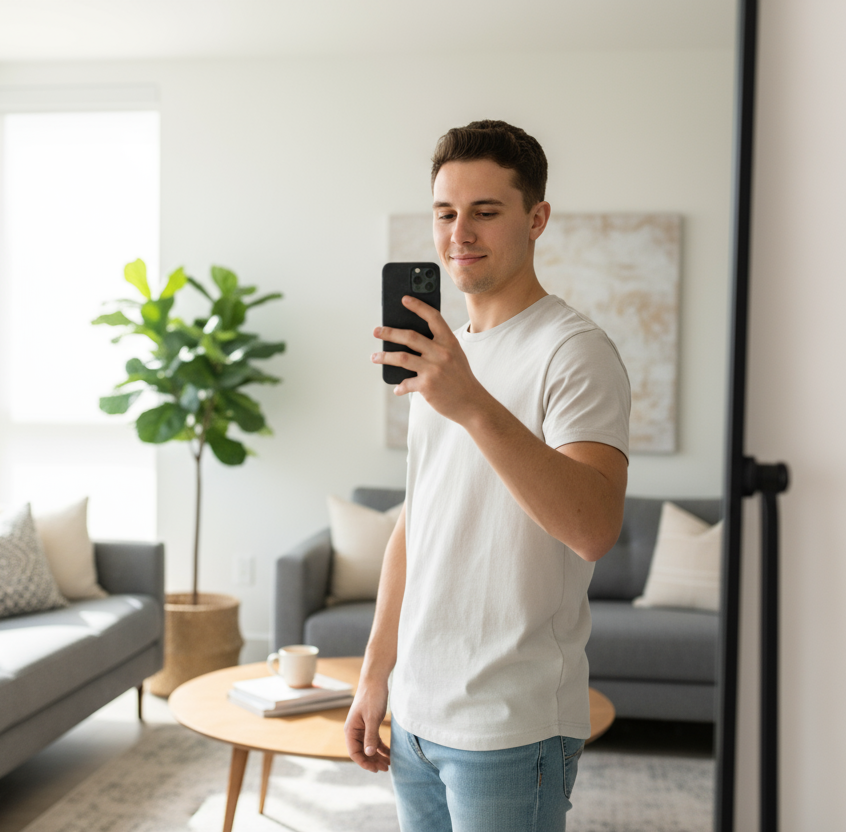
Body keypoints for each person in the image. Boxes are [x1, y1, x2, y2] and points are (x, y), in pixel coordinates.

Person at [345, 120, 632, 831]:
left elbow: (594, 529)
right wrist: (375, 674)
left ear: (536, 219)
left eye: (485, 211)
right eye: (445, 212)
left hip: (511, 726)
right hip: (416, 714)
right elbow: (420, 523)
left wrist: (472, 404)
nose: (459, 232)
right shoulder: (441, 357)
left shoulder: (575, 352)